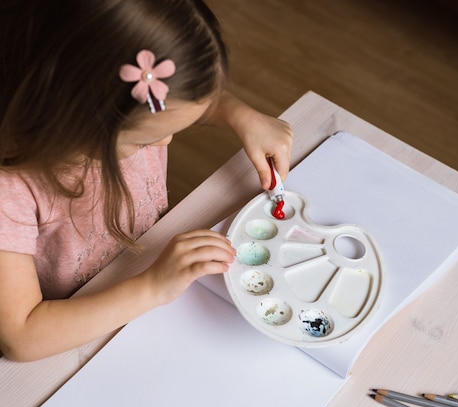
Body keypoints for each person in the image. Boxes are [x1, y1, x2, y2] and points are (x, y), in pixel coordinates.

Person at [0, 0, 292, 361]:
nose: (166, 141)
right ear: (79, 122)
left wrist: (238, 113)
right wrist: (153, 287)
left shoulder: (127, 110)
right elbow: (22, 336)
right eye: (144, 139)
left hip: (148, 267)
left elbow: (174, 105)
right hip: (80, 330)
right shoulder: (10, 189)